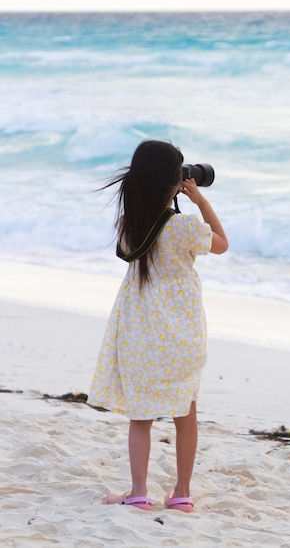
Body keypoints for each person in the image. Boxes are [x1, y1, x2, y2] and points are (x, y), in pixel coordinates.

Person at [89, 139, 228, 513]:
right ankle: (182, 493)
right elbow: (221, 244)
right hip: (181, 332)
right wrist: (200, 201)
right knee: (186, 411)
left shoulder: (130, 224)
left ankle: (138, 492)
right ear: (174, 182)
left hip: (138, 332)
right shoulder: (183, 226)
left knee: (141, 416)